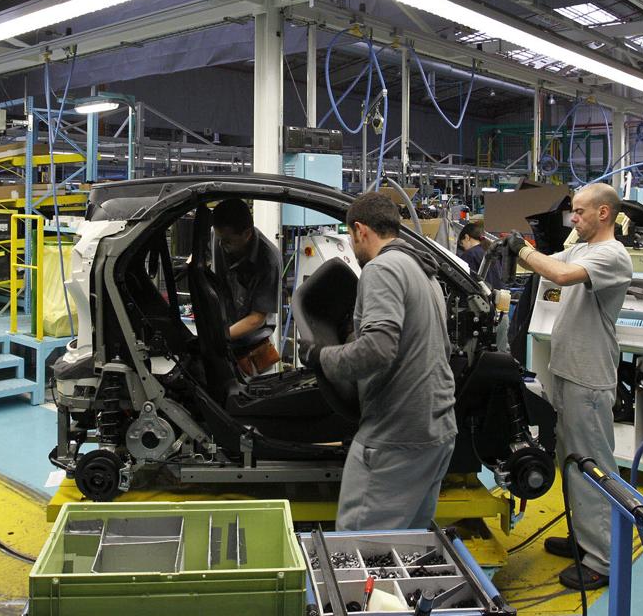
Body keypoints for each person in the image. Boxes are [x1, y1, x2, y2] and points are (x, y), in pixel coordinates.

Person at [298, 191, 458, 531]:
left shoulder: (381, 269)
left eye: (350, 235)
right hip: (436, 428)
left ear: (360, 230)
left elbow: (379, 349)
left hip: (397, 437)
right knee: (406, 545)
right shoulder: (423, 271)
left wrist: (320, 357)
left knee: (361, 549)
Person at [504, 182, 632, 591]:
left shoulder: (613, 255)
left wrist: (521, 250)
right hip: (567, 369)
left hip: (589, 376)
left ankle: (603, 559)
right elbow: (543, 263)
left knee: (592, 464)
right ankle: (585, 539)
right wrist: (509, 246)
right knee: (571, 462)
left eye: (579, 212)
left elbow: (557, 274)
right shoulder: (582, 248)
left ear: (603, 213)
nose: (573, 219)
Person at [210, 198, 283, 376]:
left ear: (247, 233)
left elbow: (256, 319)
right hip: (224, 347)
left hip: (254, 355)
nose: (221, 245)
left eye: (227, 241)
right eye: (219, 238)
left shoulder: (268, 260)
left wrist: (218, 338)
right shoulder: (218, 236)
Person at [457, 221, 509, 351]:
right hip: (502, 313)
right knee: (499, 356)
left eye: (462, 244)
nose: (463, 248)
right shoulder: (491, 253)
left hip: (484, 318)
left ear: (467, 237)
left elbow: (466, 288)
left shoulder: (469, 255)